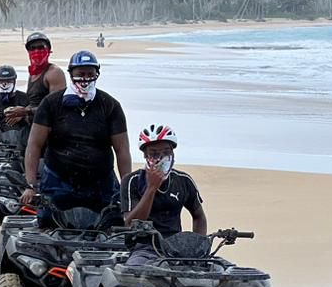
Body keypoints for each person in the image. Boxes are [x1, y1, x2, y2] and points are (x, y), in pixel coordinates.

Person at [22, 50, 131, 221]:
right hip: (58, 182)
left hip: (101, 184)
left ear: (97, 74)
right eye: (80, 74)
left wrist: (127, 191)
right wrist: (30, 185)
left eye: (90, 73)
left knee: (112, 228)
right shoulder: (51, 104)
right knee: (48, 227)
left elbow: (122, 150)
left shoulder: (110, 105)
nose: (85, 78)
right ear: (71, 73)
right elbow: (34, 145)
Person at [122, 124, 206, 237]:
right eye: (154, 153)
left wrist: (198, 243)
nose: (161, 157)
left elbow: (199, 216)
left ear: (172, 152)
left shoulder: (184, 180)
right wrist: (152, 188)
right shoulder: (131, 181)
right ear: (145, 155)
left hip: (174, 244)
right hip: (143, 246)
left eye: (166, 152)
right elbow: (131, 224)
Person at [22, 31, 66, 119]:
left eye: (41, 47)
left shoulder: (54, 73)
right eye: (32, 48)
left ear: (48, 50)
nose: (36, 51)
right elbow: (33, 102)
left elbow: (56, 108)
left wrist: (25, 111)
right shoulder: (33, 74)